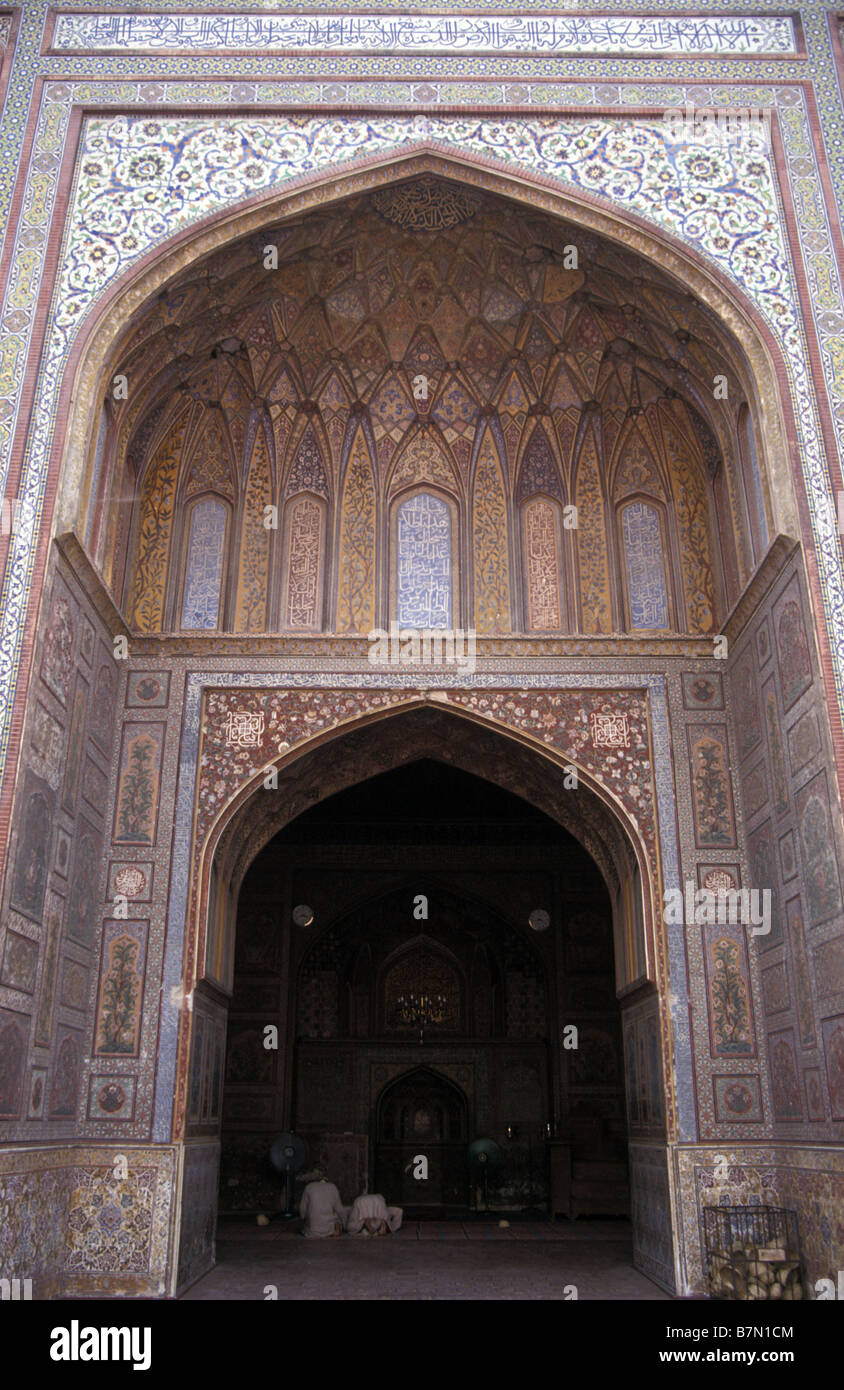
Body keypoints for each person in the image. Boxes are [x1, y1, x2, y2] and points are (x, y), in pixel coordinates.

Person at [299, 1173, 349, 1238]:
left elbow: (302, 1211)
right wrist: (345, 1224)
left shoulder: (309, 1187)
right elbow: (340, 1210)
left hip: (312, 1231)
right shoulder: (332, 1187)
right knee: (338, 1215)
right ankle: (336, 1231)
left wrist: (306, 1218)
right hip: (329, 1230)